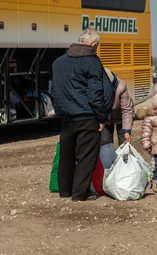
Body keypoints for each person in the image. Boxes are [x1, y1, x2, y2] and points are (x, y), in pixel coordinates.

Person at [51, 28, 114, 202]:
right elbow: (96, 93)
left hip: (65, 118)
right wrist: (101, 117)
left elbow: (54, 90)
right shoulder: (92, 61)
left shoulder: (58, 62)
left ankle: (65, 191)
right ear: (94, 45)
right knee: (87, 157)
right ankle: (80, 194)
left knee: (66, 156)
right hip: (86, 116)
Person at [101, 68, 134, 146]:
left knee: (124, 142)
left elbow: (127, 110)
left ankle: (123, 158)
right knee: (105, 142)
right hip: (105, 119)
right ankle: (109, 158)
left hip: (121, 117)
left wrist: (127, 131)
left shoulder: (121, 87)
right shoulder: (97, 87)